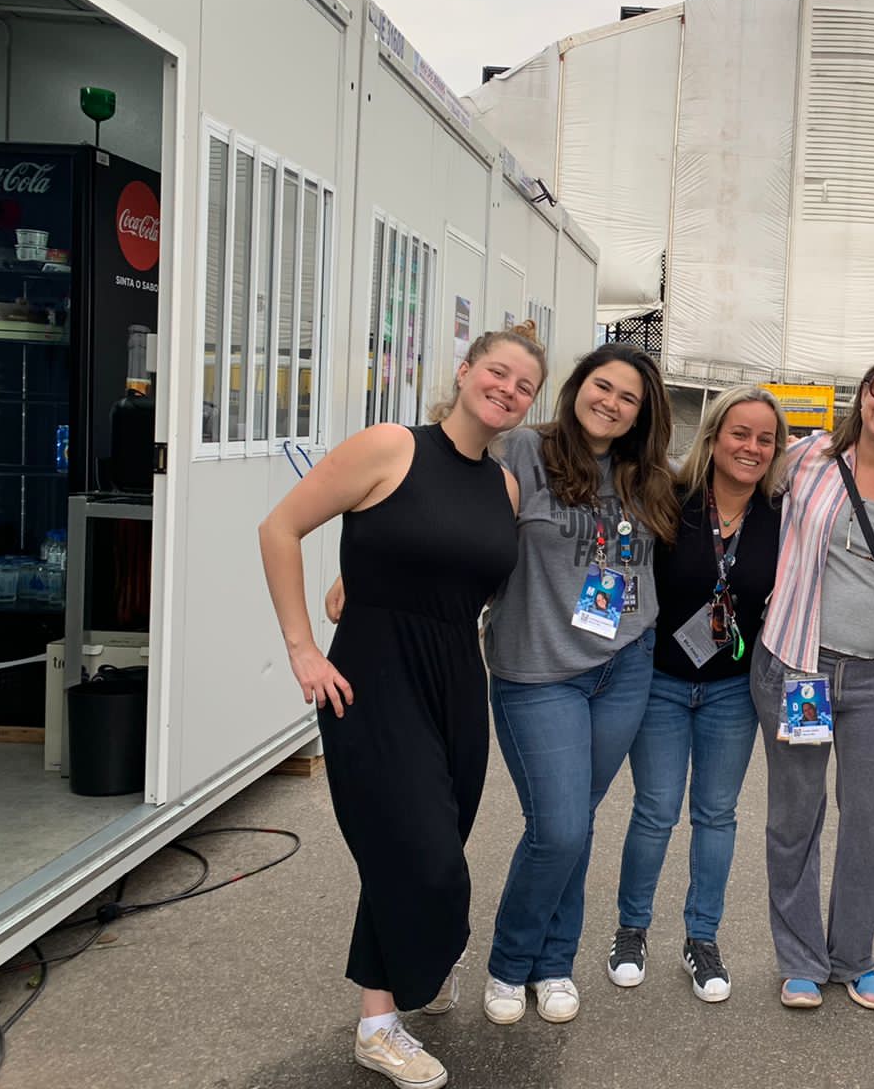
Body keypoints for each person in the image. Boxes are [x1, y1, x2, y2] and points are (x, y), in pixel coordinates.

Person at [259, 324, 544, 1089]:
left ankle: (404, 982)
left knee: (419, 847)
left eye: (525, 385)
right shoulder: (391, 446)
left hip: (457, 682)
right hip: (374, 679)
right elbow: (279, 527)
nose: (508, 390)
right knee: (424, 860)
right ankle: (381, 1026)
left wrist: (359, 574)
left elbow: (449, 565)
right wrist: (301, 648)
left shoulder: (505, 488)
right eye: (498, 372)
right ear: (465, 371)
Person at [481, 343, 680, 1027]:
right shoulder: (520, 452)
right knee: (560, 827)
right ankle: (512, 962)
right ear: (576, 387)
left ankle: (555, 963)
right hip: (539, 670)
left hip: (625, 665)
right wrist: (366, 573)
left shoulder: (647, 476)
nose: (612, 404)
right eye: (603, 386)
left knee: (575, 821)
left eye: (629, 398)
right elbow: (449, 512)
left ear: (642, 415)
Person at [751, 349, 874, 1011]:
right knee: (795, 816)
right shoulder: (805, 460)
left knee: (871, 821)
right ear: (863, 391)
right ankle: (800, 958)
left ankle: (854, 956)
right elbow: (728, 487)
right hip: (800, 664)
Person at [606, 386, 789, 1003]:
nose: (752, 447)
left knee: (716, 814)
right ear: (714, 435)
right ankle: (631, 930)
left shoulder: (780, 515)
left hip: (732, 691)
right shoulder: (671, 499)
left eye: (765, 439)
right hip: (659, 682)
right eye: (740, 433)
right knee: (655, 810)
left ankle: (701, 937)